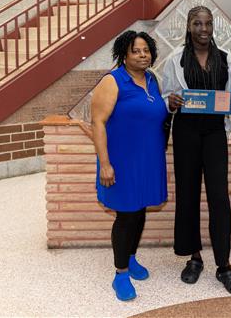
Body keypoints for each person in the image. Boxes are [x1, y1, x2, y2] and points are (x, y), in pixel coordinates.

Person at [161, 5, 231, 295]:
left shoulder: (226, 59)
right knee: (187, 194)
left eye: (208, 24)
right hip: (185, 132)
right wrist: (169, 101)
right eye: (197, 24)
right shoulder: (176, 59)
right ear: (189, 26)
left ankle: (223, 265)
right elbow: (166, 93)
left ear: (214, 27)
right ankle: (194, 258)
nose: (203, 29)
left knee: (219, 197)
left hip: (213, 134)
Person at [91, 30, 168, 301]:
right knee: (126, 216)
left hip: (148, 161)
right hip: (121, 162)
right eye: (136, 50)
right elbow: (97, 123)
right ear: (124, 53)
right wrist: (105, 164)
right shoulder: (112, 81)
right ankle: (120, 273)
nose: (142, 55)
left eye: (146, 50)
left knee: (140, 211)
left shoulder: (151, 79)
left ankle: (131, 257)